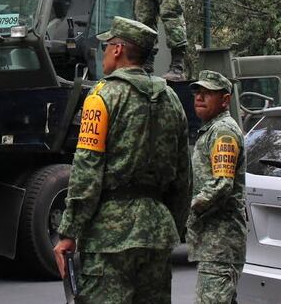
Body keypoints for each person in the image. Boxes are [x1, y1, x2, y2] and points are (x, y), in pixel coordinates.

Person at [53, 16, 191, 304]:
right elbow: (183, 177)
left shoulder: (102, 96)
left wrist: (69, 232)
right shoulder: (172, 99)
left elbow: (86, 171)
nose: (103, 53)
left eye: (106, 46)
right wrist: (171, 226)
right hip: (157, 232)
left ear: (117, 50)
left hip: (110, 237)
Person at [187, 70, 247, 304]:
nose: (199, 98)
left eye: (207, 93)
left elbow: (222, 185)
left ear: (225, 100)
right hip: (214, 243)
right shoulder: (212, 129)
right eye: (198, 93)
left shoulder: (223, 132)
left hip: (220, 244)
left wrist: (188, 209)